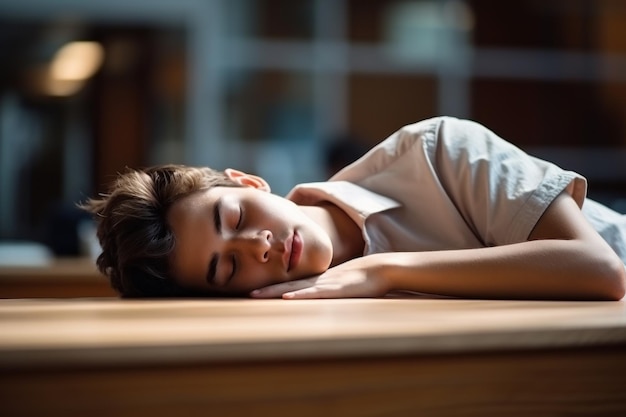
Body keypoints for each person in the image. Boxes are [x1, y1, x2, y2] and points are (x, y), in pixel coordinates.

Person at [81, 117, 626, 300]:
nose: (257, 248)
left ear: (249, 181)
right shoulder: (301, 307)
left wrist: (382, 269)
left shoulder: (438, 151)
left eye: (237, 218)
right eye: (226, 267)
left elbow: (600, 270)